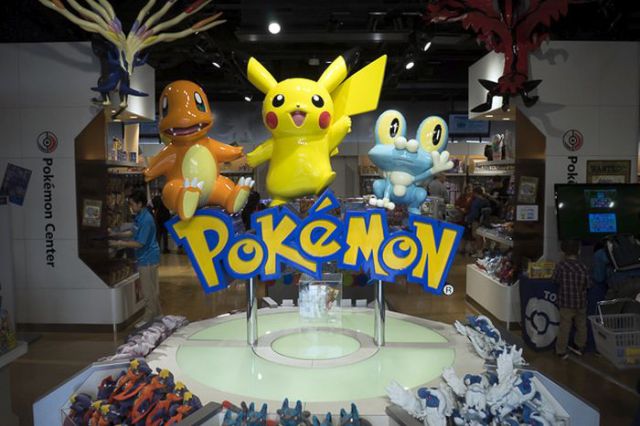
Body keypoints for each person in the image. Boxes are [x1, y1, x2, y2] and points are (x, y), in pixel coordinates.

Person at [109, 189, 162, 322]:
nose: (131, 207)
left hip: (148, 258)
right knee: (152, 289)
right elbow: (132, 232)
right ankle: (158, 316)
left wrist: (118, 243)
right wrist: (115, 234)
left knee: (148, 290)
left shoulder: (146, 220)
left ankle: (149, 318)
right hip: (146, 257)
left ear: (140, 204)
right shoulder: (141, 216)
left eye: (132, 204)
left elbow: (139, 243)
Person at [552, 240, 589, 359]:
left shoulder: (561, 266)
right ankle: (579, 346)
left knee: (565, 327)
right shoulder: (583, 267)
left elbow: (555, 280)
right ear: (578, 251)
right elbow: (587, 284)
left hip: (566, 303)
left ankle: (561, 351)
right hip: (580, 302)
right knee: (581, 325)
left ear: (563, 251)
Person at [465, 186, 491, 256]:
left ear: (475, 193)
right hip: (484, 221)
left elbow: (474, 213)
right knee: (481, 236)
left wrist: (468, 219)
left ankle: (478, 252)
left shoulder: (477, 201)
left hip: (477, 221)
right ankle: (481, 251)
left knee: (477, 236)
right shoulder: (485, 200)